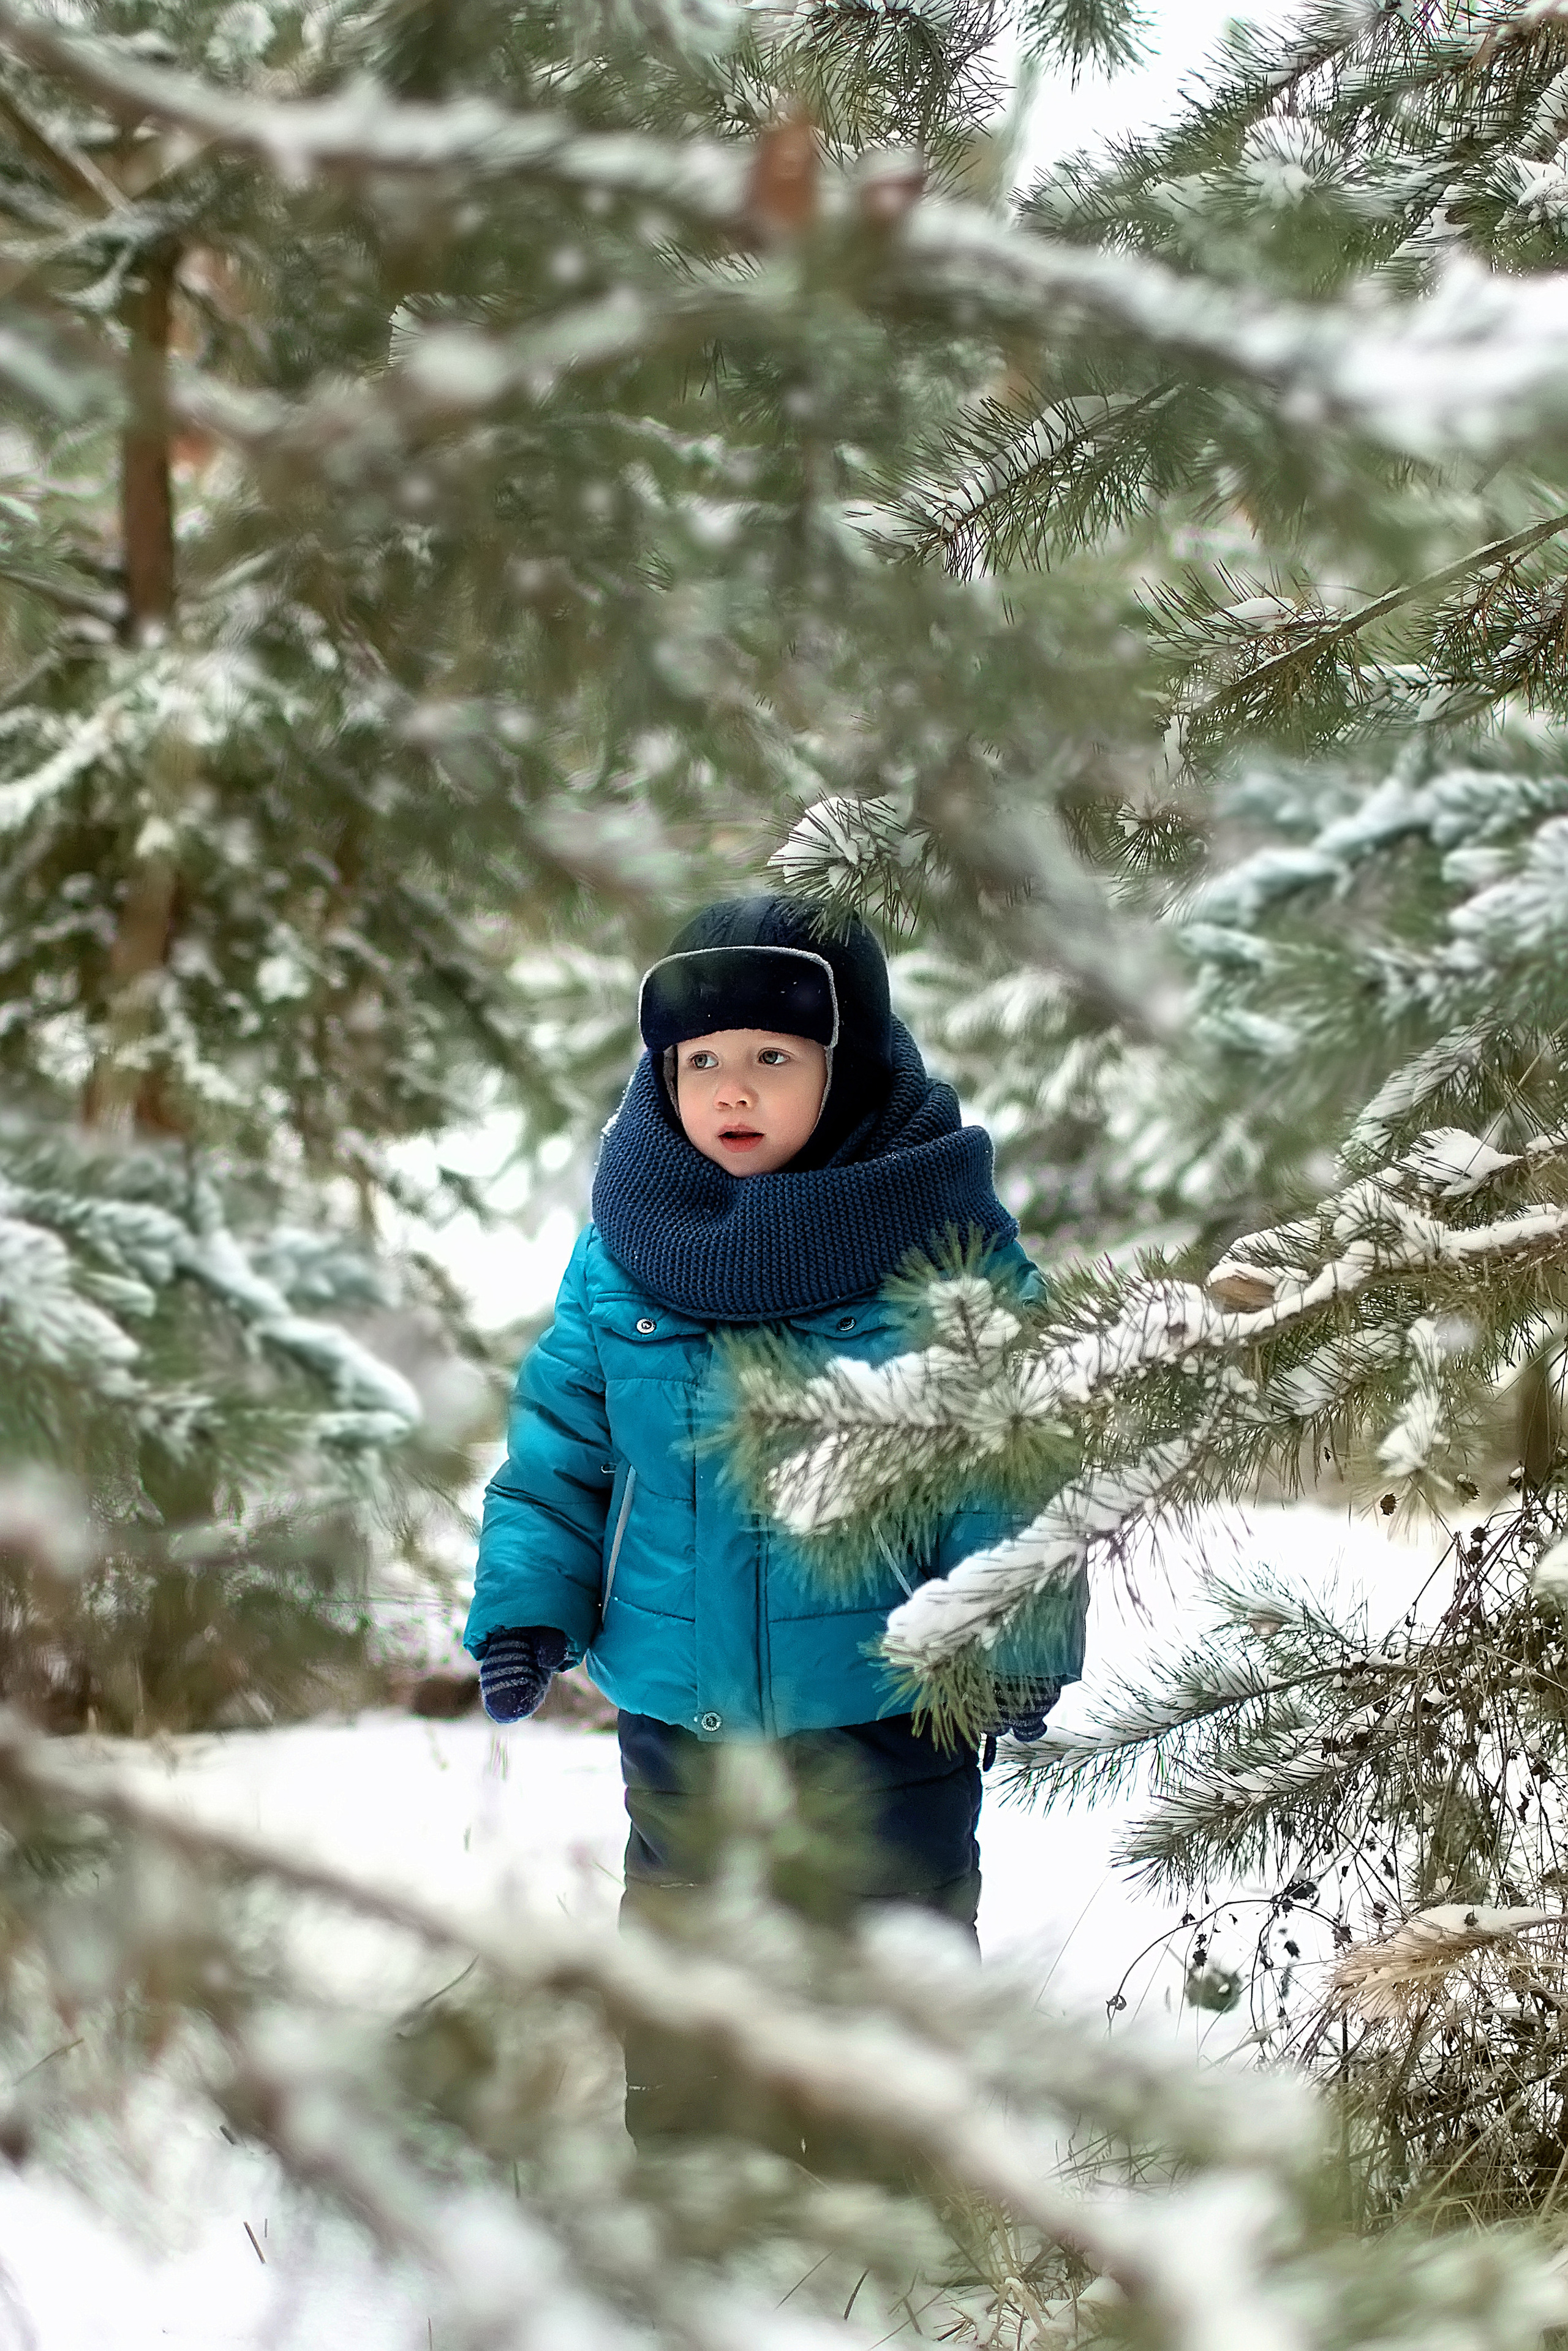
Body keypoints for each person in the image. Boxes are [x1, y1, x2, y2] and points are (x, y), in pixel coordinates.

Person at [462, 895, 1086, 2140]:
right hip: (680, 1702)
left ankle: (889, 2182)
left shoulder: (936, 1244)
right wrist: (529, 1596)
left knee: (892, 1938)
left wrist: (1006, 1639)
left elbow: (1013, 1462)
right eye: (701, 1062)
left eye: (770, 1058)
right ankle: (695, 2184)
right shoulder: (627, 1248)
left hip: (886, 1701)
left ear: (841, 1064)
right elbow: (563, 1447)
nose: (730, 1089)